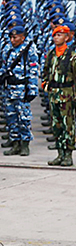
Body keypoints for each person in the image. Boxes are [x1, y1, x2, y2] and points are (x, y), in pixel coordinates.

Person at [41, 25, 76, 167]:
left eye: (59, 35)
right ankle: (60, 153)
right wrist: (46, 84)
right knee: (56, 125)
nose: (56, 38)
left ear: (67, 37)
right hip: (54, 94)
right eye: (55, 35)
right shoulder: (52, 54)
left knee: (68, 126)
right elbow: (46, 71)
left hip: (67, 94)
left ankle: (68, 154)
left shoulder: (73, 56)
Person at [1, 25, 38, 157]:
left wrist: (32, 90)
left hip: (22, 89)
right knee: (11, 117)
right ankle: (15, 142)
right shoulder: (7, 49)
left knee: (24, 117)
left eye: (15, 37)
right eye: (11, 37)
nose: (12, 40)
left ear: (23, 37)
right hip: (9, 89)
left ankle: (25, 144)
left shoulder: (29, 50)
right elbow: (4, 67)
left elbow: (33, 71)